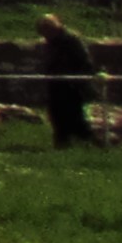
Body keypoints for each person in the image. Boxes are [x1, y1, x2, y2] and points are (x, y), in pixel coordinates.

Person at [38, 12, 101, 147]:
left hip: (72, 85)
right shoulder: (51, 42)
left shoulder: (71, 40)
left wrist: (78, 80)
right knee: (56, 115)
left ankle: (92, 142)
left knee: (75, 116)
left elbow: (85, 62)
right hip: (56, 83)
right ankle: (62, 143)